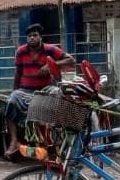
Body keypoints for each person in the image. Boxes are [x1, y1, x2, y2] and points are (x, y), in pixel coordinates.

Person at [4, 23, 75, 158]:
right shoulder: (21, 51)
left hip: (46, 88)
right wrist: (14, 91)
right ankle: (13, 141)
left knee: (57, 94)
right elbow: (18, 73)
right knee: (11, 101)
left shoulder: (50, 50)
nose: (32, 38)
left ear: (40, 37)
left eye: (35, 35)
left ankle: (53, 139)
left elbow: (71, 60)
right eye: (29, 36)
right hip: (26, 89)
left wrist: (51, 65)